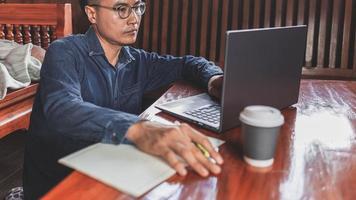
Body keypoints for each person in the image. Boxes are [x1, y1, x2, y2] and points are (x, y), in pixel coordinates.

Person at [23, 0, 224, 198]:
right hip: (60, 185)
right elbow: (63, 108)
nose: (134, 18)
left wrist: (214, 80)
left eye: (137, 7)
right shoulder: (64, 52)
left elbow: (187, 64)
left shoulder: (137, 60)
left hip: (111, 171)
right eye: (121, 9)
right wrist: (138, 129)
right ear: (92, 14)